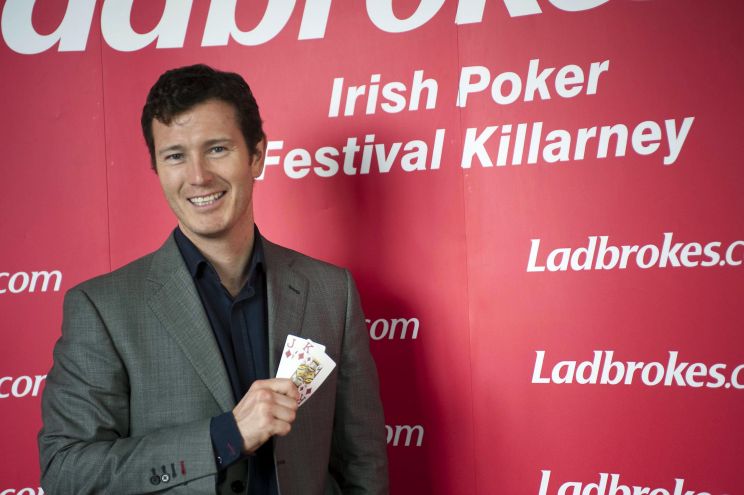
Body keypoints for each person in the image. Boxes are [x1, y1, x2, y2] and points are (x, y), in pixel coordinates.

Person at [38, 64, 388, 495]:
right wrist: (224, 437)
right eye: (175, 156)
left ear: (256, 156)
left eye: (217, 149)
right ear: (157, 167)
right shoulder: (102, 309)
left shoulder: (332, 293)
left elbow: (362, 465)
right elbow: (66, 472)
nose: (199, 176)